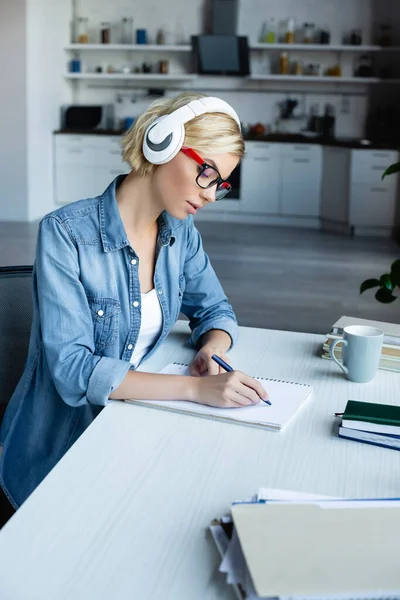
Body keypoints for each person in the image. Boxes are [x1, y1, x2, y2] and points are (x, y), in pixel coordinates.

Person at [0, 92, 268, 515]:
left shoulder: (182, 234)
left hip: (139, 420)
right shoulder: (65, 234)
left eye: (221, 183)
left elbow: (215, 310)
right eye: (207, 174)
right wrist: (196, 389)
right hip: (66, 443)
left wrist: (212, 350)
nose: (212, 195)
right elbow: (72, 370)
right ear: (162, 142)